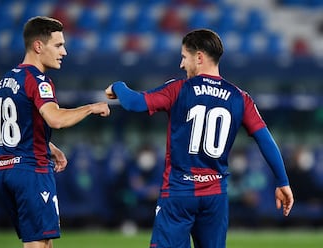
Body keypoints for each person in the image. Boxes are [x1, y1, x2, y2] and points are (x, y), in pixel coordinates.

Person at [105, 29, 294, 248]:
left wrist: (117, 86)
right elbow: (266, 140)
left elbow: (134, 103)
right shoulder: (240, 98)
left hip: (179, 192)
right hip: (216, 196)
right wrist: (282, 182)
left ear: (200, 57)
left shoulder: (178, 89)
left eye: (184, 57)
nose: (181, 64)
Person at [0, 16, 110, 248]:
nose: (64, 52)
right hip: (31, 171)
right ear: (38, 46)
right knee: (39, 243)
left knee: (42, 242)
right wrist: (91, 107)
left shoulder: (8, 79)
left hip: (6, 169)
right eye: (58, 45)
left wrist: (50, 147)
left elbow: (19, 127)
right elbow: (55, 119)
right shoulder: (38, 80)